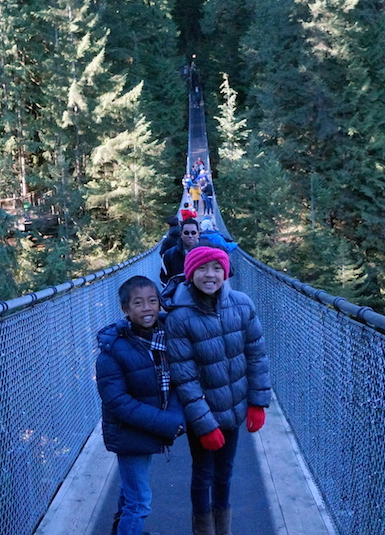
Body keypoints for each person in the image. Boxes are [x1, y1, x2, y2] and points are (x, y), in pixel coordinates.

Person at [162, 247, 271, 535]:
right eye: (201, 268)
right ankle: (204, 531)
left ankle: (224, 530)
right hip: (204, 413)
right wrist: (205, 423)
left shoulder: (242, 304)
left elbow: (256, 356)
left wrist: (258, 402)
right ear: (190, 274)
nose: (209, 275)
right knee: (204, 475)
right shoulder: (179, 318)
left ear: (225, 272)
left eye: (216, 268)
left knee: (225, 473)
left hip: (235, 407)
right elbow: (184, 378)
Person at [96, 275, 187, 535]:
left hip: (146, 428)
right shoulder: (113, 350)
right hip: (129, 432)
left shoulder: (165, 336)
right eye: (138, 303)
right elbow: (117, 402)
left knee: (130, 490)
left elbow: (178, 380)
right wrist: (167, 422)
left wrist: (170, 416)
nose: (147, 308)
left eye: (152, 301)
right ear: (126, 310)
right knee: (139, 502)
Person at [161, 218, 200, 283]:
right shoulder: (169, 255)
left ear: (198, 234)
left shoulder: (207, 254)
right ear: (181, 234)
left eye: (193, 233)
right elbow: (163, 277)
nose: (190, 236)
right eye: (186, 233)